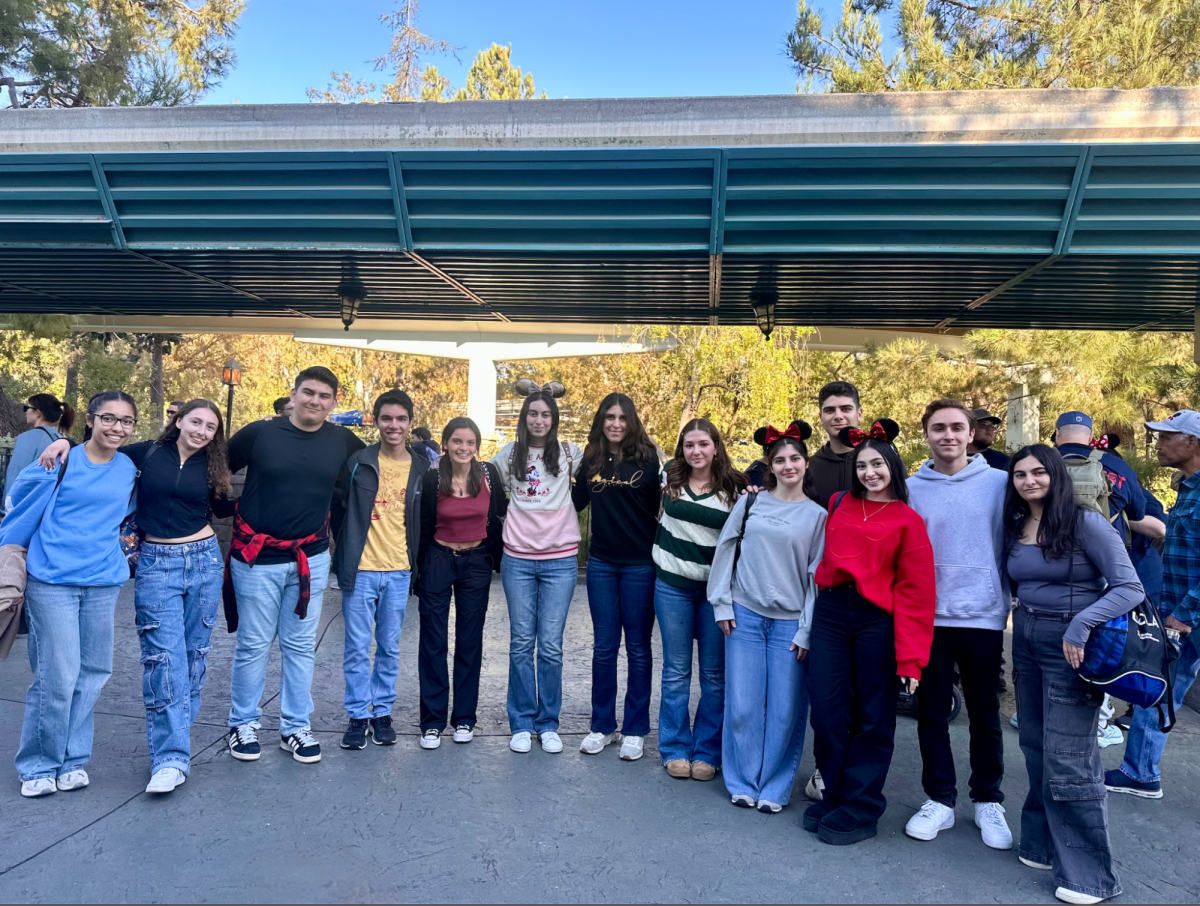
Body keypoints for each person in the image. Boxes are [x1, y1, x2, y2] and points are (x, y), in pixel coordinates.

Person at [1006, 445, 1142, 905]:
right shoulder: (1018, 522)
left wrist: (1082, 624)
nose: (1028, 481)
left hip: (1071, 644)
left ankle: (1091, 877)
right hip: (1024, 635)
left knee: (1069, 754)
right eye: (1020, 474)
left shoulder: (1085, 521)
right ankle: (1041, 844)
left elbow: (1129, 587)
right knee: (1035, 744)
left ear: (1057, 475)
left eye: (1038, 472)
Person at [223, 366, 365, 766]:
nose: (315, 401)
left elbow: (378, 468)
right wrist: (221, 507)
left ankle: (294, 726)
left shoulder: (342, 440)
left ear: (334, 402)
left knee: (301, 645)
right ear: (294, 393)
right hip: (257, 558)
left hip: (311, 557)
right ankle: (242, 722)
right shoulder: (260, 433)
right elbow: (213, 463)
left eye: (324, 396)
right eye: (309, 392)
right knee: (253, 643)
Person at [0, 391, 139, 798]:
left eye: (125, 421)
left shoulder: (129, 467)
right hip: (53, 580)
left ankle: (73, 759)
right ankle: (39, 764)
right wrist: (62, 445)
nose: (116, 427)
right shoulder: (59, 459)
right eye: (108, 418)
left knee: (94, 672)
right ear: (90, 420)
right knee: (57, 675)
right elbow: (16, 503)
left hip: (102, 581)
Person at [805, 418, 936, 845]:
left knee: (872, 716)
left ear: (892, 468)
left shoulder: (907, 520)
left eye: (877, 464)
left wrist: (911, 659)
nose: (869, 473)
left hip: (876, 620)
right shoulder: (840, 502)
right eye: (862, 465)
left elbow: (917, 593)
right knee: (827, 710)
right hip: (831, 613)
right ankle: (835, 794)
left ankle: (862, 807)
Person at [905, 400, 1013, 850]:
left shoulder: (1002, 484)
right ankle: (940, 799)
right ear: (926, 435)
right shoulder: (911, 487)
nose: (947, 435)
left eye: (956, 428)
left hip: (984, 616)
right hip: (929, 617)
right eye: (938, 428)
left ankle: (988, 799)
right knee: (931, 714)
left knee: (984, 714)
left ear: (972, 434)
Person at [707, 421, 824, 810]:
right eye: (780, 460)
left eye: (795, 459)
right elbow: (725, 551)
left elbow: (816, 578)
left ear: (806, 464)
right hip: (745, 615)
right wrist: (721, 601)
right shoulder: (750, 502)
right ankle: (742, 780)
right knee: (742, 703)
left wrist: (806, 631)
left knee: (784, 710)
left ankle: (773, 787)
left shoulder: (818, 516)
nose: (788, 465)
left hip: (789, 623)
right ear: (769, 466)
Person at [1106, 410, 1200, 801]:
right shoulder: (1187, 488)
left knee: (1158, 686)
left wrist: (1182, 615)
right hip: (1178, 611)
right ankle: (1141, 771)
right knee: (1159, 687)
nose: (1157, 444)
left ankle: (1141, 772)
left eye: (1167, 437)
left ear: (1193, 443)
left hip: (1187, 616)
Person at [489, 381, 584, 755]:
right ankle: (522, 722)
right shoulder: (509, 454)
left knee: (550, 646)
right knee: (520, 643)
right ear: (524, 418)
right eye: (533, 413)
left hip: (560, 560)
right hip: (518, 558)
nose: (539, 419)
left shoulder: (569, 452)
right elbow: (476, 476)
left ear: (554, 418)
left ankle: (548, 723)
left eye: (546, 414)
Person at [332, 390, 430, 750]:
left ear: (409, 423)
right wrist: (344, 550)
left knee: (389, 647)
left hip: (399, 569)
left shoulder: (420, 466)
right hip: (361, 570)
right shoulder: (358, 461)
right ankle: (358, 715)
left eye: (401, 419)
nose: (394, 425)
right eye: (386, 418)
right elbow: (338, 506)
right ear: (376, 421)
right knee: (357, 647)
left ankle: (382, 712)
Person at [654, 418, 748, 781]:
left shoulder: (736, 489)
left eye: (703, 444)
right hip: (672, 587)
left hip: (715, 593)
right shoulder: (669, 479)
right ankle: (675, 747)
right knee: (676, 672)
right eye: (689, 445)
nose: (696, 451)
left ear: (716, 447)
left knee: (714, 676)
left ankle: (707, 750)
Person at [572, 392, 662, 762]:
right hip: (602, 564)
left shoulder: (648, 457)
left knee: (639, 649)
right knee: (604, 648)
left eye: (623, 418)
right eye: (609, 417)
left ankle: (636, 729)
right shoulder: (590, 459)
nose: (616, 424)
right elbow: (574, 502)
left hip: (641, 564)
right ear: (601, 420)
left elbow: (663, 504)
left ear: (632, 421)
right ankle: (602, 726)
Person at [416, 416, 507, 750]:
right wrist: (420, 569)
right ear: (446, 444)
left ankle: (465, 719)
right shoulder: (432, 477)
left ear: (477, 446)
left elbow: (498, 513)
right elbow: (425, 523)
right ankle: (432, 722)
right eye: (457, 441)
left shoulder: (488, 475)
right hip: (439, 559)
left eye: (470, 442)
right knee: (433, 640)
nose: (464, 448)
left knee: (470, 641)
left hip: (476, 562)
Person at [1053, 411, 1148, 545]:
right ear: (1091, 436)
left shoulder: (1037, 462)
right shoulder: (1116, 464)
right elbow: (1138, 512)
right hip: (1103, 550)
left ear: (1057, 433)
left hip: (1049, 547)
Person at [3, 393, 75, 512]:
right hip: (51, 505)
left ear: (37, 413)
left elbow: (15, 475)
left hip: (25, 506)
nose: (25, 412)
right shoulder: (62, 440)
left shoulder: (27, 438)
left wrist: (6, 509)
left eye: (27, 408)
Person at [806, 381, 863, 509]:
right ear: (821, 418)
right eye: (830, 410)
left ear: (859, 414)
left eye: (846, 409)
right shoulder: (807, 469)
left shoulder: (882, 463)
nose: (838, 416)